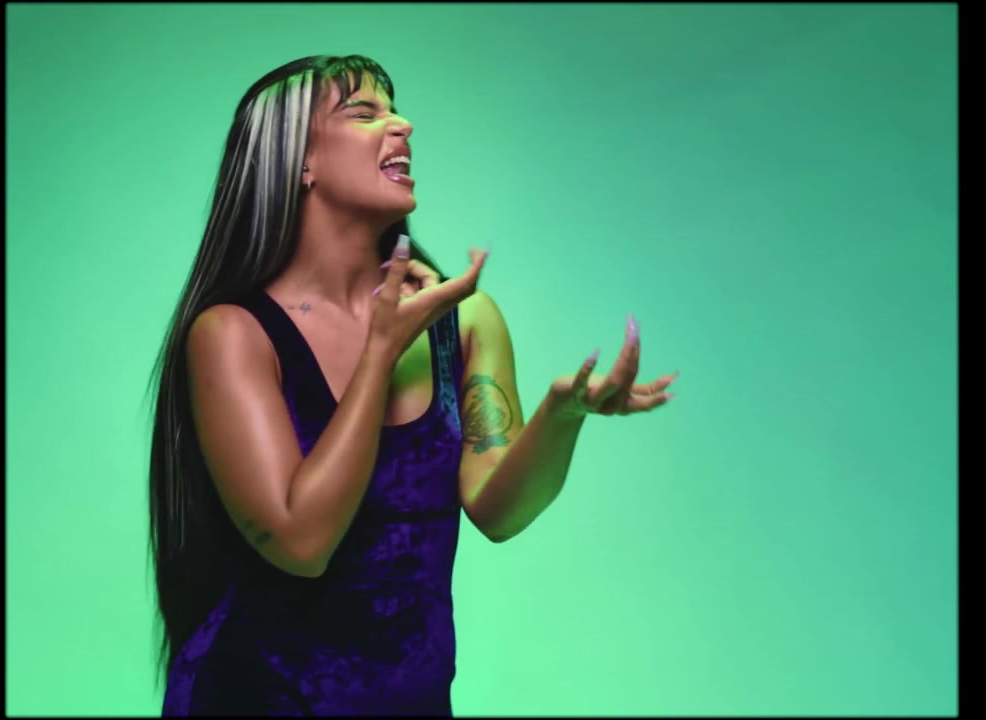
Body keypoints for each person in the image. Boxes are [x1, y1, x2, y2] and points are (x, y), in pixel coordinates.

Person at [147, 54, 677, 716]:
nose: (403, 125)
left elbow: (497, 511)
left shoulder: (466, 321)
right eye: (364, 113)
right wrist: (382, 351)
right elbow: (300, 543)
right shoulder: (232, 333)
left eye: (394, 108)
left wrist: (562, 415)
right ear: (299, 162)